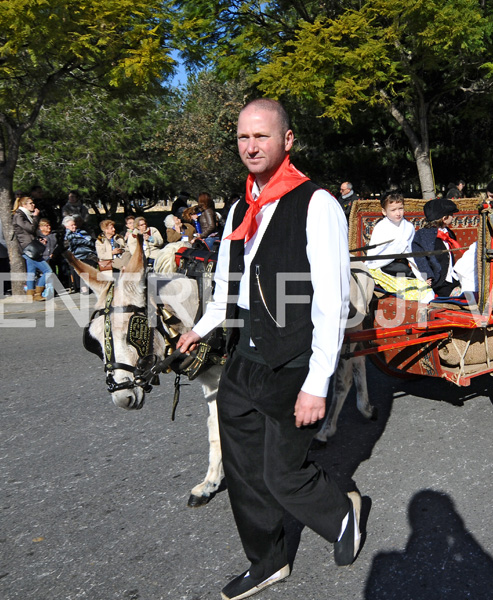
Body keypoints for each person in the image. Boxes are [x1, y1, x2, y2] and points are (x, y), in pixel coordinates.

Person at [175, 99, 362, 600]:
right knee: (243, 473)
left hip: (294, 364)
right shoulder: (240, 207)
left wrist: (317, 383)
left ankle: (343, 510)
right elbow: (227, 290)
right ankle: (268, 560)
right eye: (243, 138)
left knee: (283, 474)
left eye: (262, 136)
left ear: (288, 140)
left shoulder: (316, 202)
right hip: (246, 362)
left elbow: (330, 302)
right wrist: (201, 328)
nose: (251, 146)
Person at [365, 191, 434, 303]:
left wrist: (422, 276)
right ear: (384, 211)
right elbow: (374, 253)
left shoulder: (408, 227)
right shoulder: (381, 228)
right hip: (380, 268)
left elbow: (412, 254)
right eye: (393, 210)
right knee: (406, 292)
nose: (398, 213)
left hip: (401, 268)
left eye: (400, 208)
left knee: (426, 292)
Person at [413, 197, 462, 297]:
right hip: (437, 279)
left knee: (467, 287)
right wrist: (427, 275)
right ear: (444, 218)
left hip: (450, 275)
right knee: (450, 293)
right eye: (451, 215)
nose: (453, 217)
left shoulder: (448, 232)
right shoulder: (423, 235)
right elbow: (420, 257)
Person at [12, 196, 50, 300]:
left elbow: (30, 232)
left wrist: (39, 239)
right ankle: (38, 293)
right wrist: (36, 217)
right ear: (24, 205)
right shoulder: (19, 216)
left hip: (30, 245)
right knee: (48, 271)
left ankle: (30, 294)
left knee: (31, 272)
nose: (33, 205)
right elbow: (30, 228)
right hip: (28, 248)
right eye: (30, 203)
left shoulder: (26, 215)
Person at [62, 216, 98, 293]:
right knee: (78, 265)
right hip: (75, 256)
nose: (74, 226)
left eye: (74, 224)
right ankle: (83, 286)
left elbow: (91, 242)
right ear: (66, 226)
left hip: (88, 254)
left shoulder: (82, 232)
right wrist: (71, 234)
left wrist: (80, 240)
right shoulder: (64, 235)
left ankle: (91, 284)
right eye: (71, 225)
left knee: (90, 263)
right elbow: (69, 245)